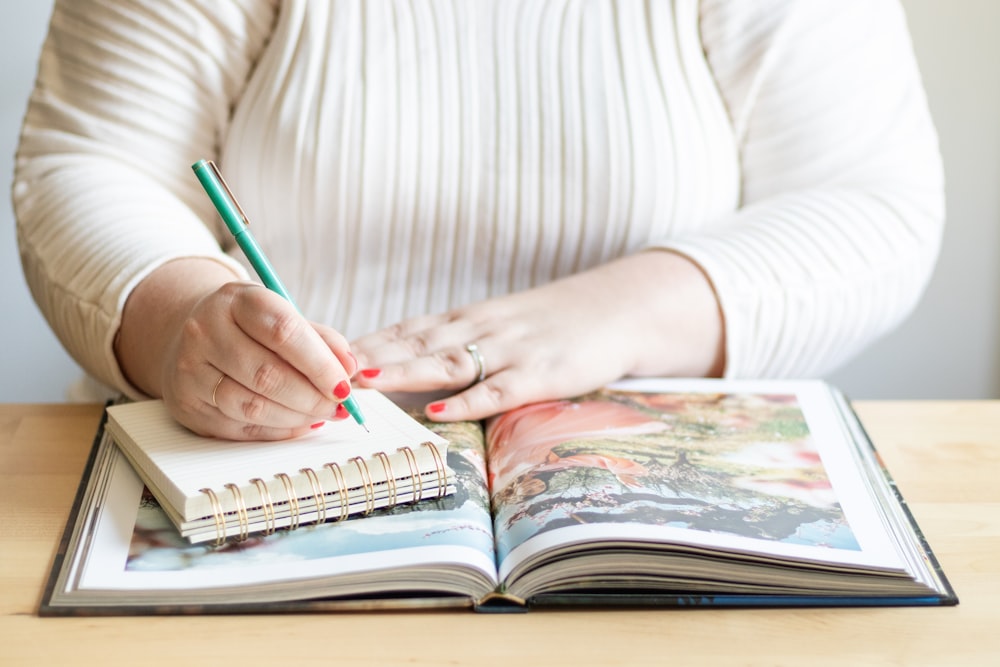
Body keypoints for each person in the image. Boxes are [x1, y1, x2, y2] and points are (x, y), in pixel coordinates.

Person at [14, 0, 944, 441]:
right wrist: (184, 319)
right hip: (258, 458)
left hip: (637, 491)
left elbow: (873, 201)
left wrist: (611, 315)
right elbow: (91, 163)